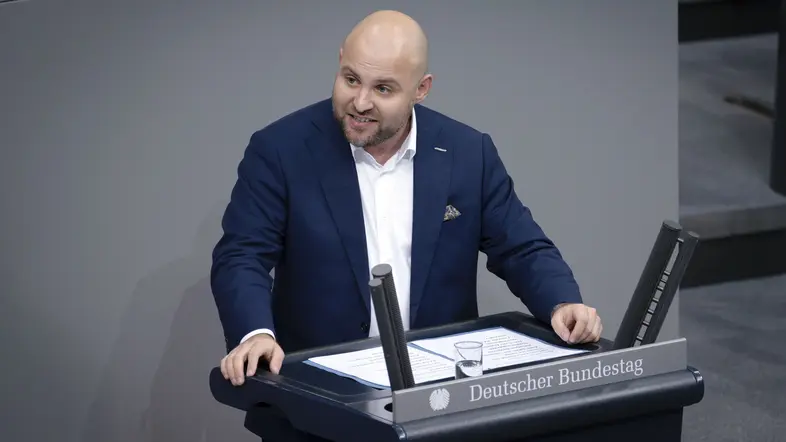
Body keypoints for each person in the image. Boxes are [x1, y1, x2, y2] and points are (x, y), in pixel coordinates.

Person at [211, 10, 603, 391]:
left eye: (383, 88)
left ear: (421, 89)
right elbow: (241, 255)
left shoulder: (468, 152)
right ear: (340, 63)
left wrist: (561, 304)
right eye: (351, 79)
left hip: (438, 393)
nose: (360, 102)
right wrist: (255, 333)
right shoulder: (281, 149)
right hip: (319, 393)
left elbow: (522, 248)